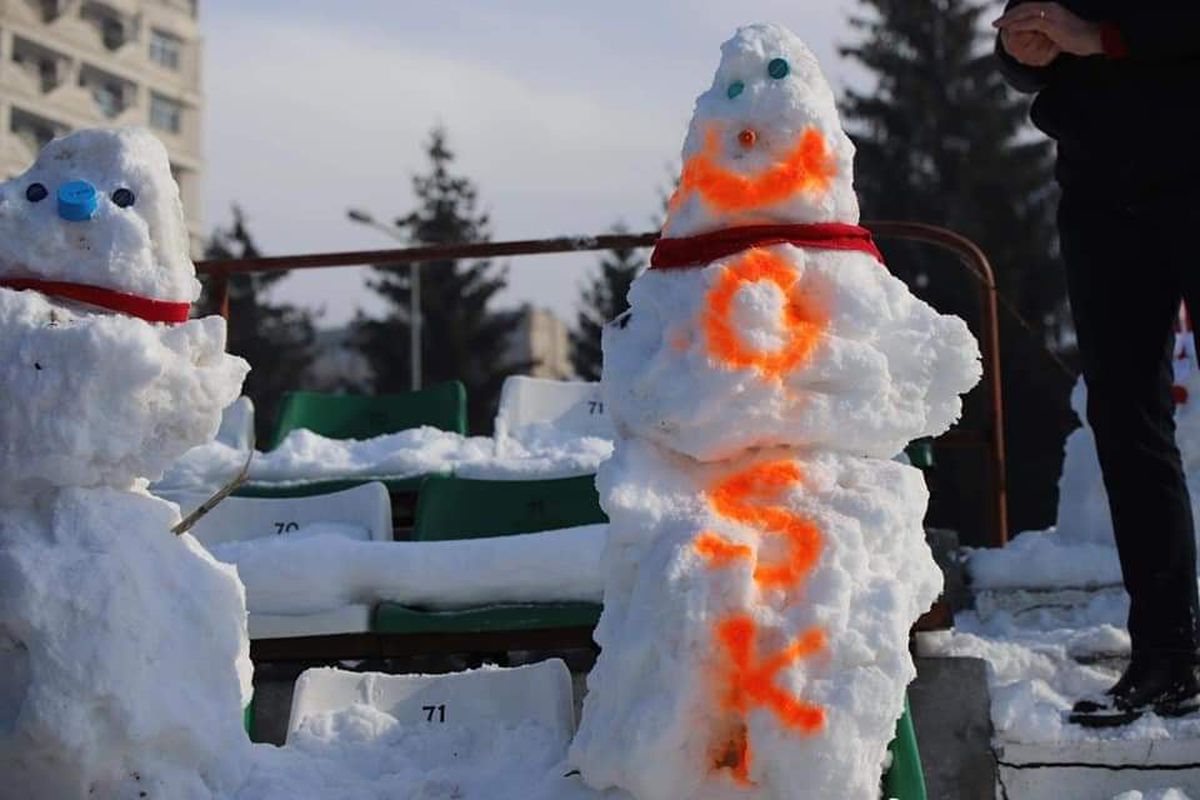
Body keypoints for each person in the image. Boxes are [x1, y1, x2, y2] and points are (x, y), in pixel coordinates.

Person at [994, 1, 1200, 726]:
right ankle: (1167, 659)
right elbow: (1033, 34)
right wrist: (1025, 49)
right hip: (1100, 181)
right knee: (1124, 416)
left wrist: (1108, 37)